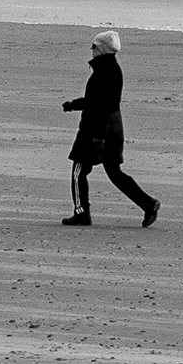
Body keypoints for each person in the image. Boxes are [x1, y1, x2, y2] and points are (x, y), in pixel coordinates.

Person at [60, 30, 159, 227]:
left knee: (78, 171)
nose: (91, 50)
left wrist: (98, 136)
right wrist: (73, 105)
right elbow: (97, 102)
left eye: (94, 46)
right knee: (114, 173)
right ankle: (148, 204)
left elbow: (102, 106)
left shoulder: (105, 72)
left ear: (102, 49)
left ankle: (81, 213)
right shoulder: (110, 69)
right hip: (113, 127)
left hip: (96, 130)